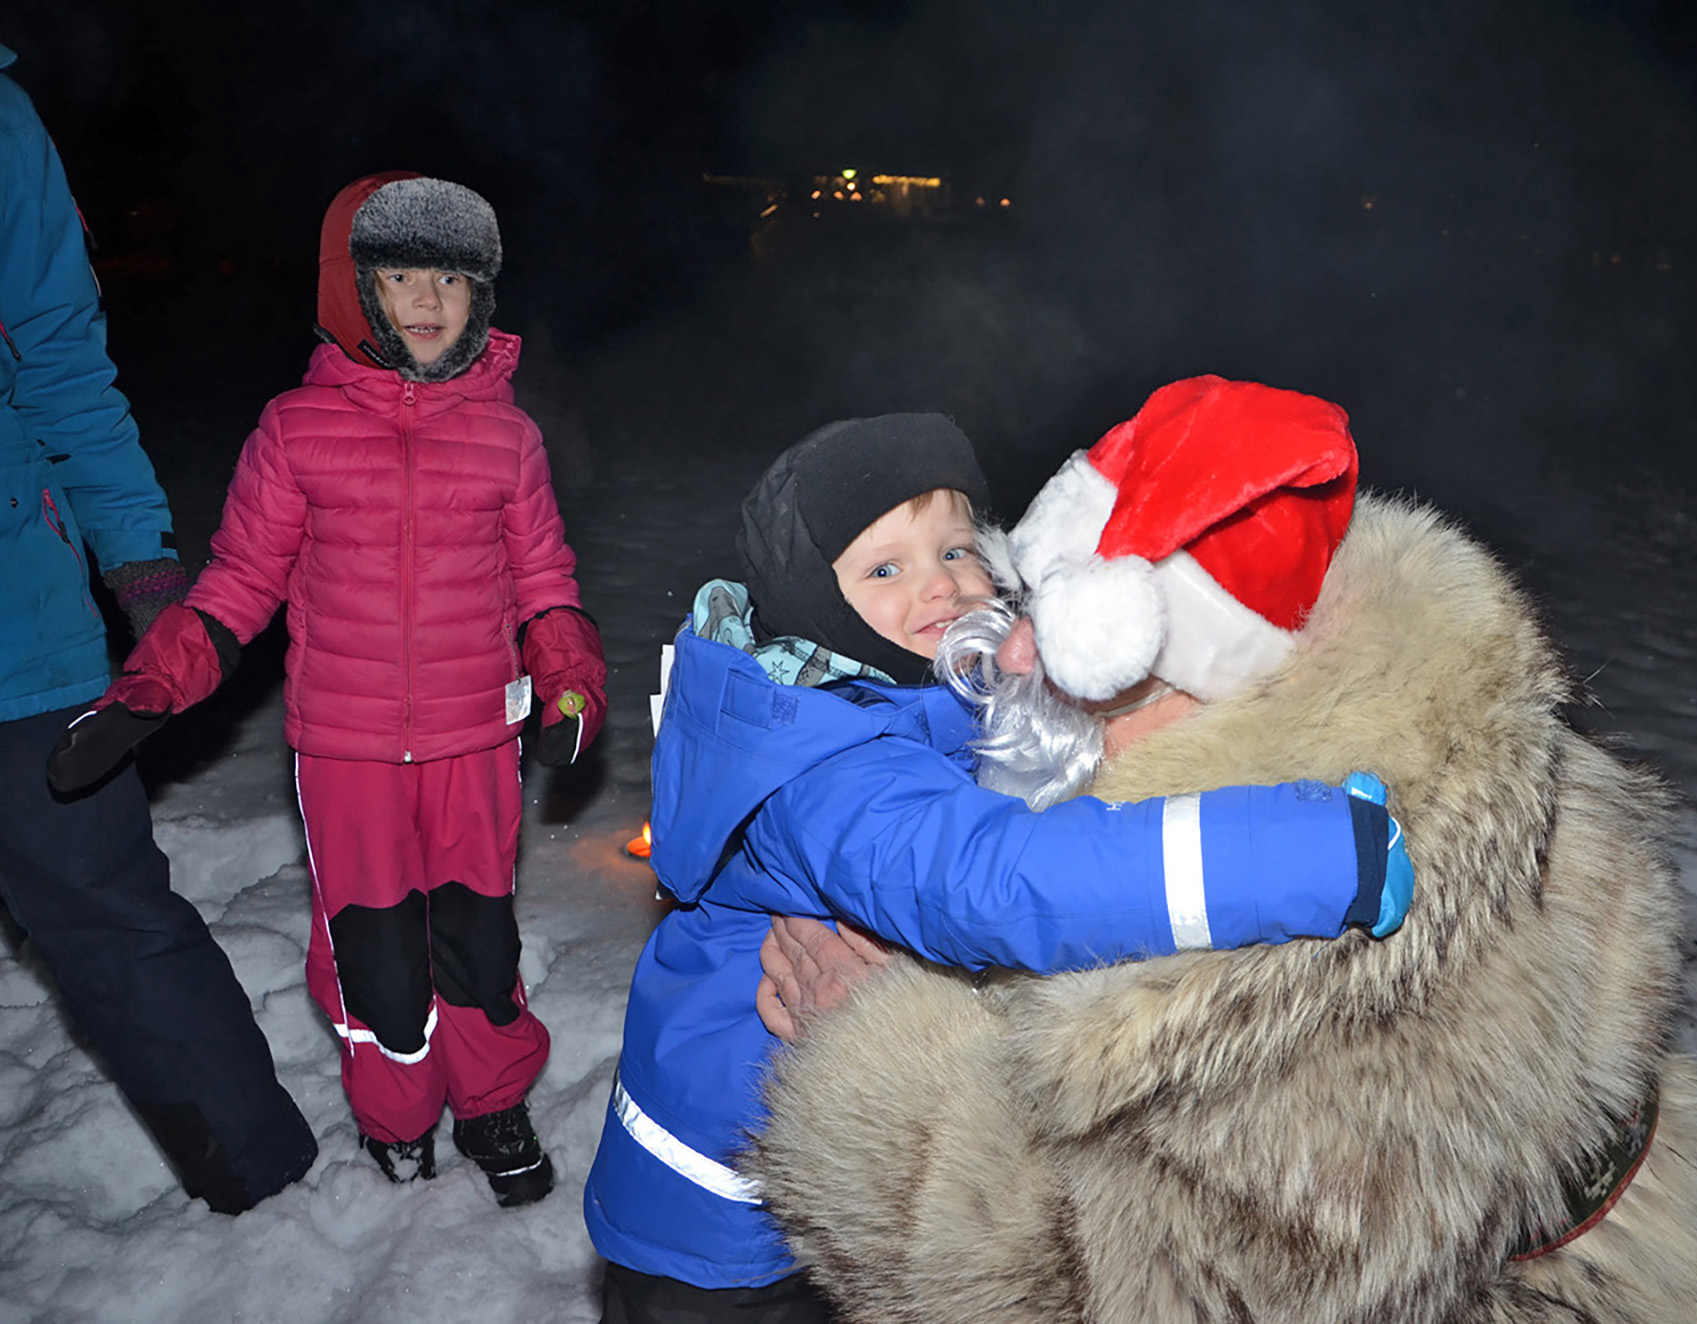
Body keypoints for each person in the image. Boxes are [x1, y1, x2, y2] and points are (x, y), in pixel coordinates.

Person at [749, 376, 1697, 1322]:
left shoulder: (1278, 989)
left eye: (1065, 647)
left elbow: (1082, 1291)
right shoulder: (1463, 727)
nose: (1006, 649)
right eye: (1028, 599)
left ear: (1196, 688)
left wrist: (874, 1071)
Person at [583, 412, 1414, 1324]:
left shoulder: (910, 696)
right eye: (885, 568)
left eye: (957, 549)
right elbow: (993, 882)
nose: (939, 586)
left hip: (811, 1182)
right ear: (810, 604)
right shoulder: (825, 772)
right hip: (721, 1231)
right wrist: (1299, 852)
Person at [47, 171, 605, 1209]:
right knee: (376, 957)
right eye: (400, 275)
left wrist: (567, 678)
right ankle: (396, 1118)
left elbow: (545, 583)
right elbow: (241, 581)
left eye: (449, 277)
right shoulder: (295, 431)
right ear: (356, 293)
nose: (428, 299)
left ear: (478, 295)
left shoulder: (506, 436)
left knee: (478, 945)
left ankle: (491, 1104)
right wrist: (150, 691)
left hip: (473, 742)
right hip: (346, 753)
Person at [0, 42, 317, 1215]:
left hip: (14, 625)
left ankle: (266, 1188)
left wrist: (140, 567)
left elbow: (62, 365)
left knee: (108, 913)